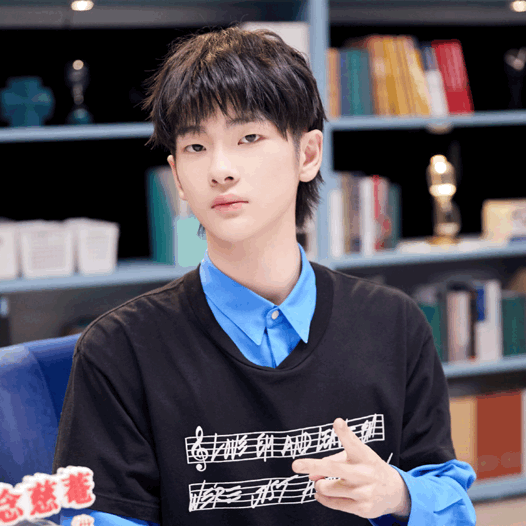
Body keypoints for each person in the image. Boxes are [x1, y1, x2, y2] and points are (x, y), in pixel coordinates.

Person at [53, 25, 477, 526]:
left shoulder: (395, 325)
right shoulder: (119, 350)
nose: (220, 169)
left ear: (308, 155)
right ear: (178, 177)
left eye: (249, 137)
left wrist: (399, 494)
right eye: (195, 147)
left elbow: (449, 499)